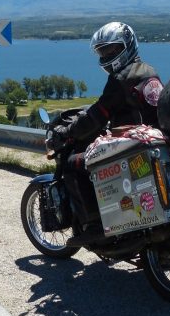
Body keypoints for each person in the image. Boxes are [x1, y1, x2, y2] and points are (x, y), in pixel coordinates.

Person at [52, 22, 163, 246]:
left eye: (112, 50)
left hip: (131, 145)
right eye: (103, 51)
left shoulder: (120, 79)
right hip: (153, 139)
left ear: (128, 45)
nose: (107, 55)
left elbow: (97, 115)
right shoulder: (149, 71)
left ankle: (94, 226)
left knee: (74, 164)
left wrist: (67, 132)